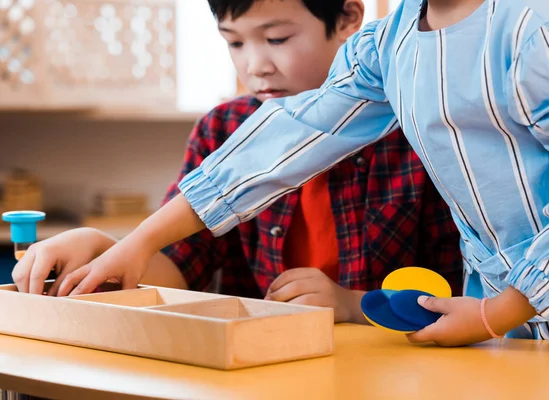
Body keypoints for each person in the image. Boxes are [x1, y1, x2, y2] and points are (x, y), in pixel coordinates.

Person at [11, 0, 463, 324]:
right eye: (234, 43)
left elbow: (460, 294)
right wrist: (104, 249)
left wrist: (352, 306)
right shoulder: (223, 129)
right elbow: (180, 266)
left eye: (277, 38)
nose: (256, 65)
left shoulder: (414, 130)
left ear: (348, 18)